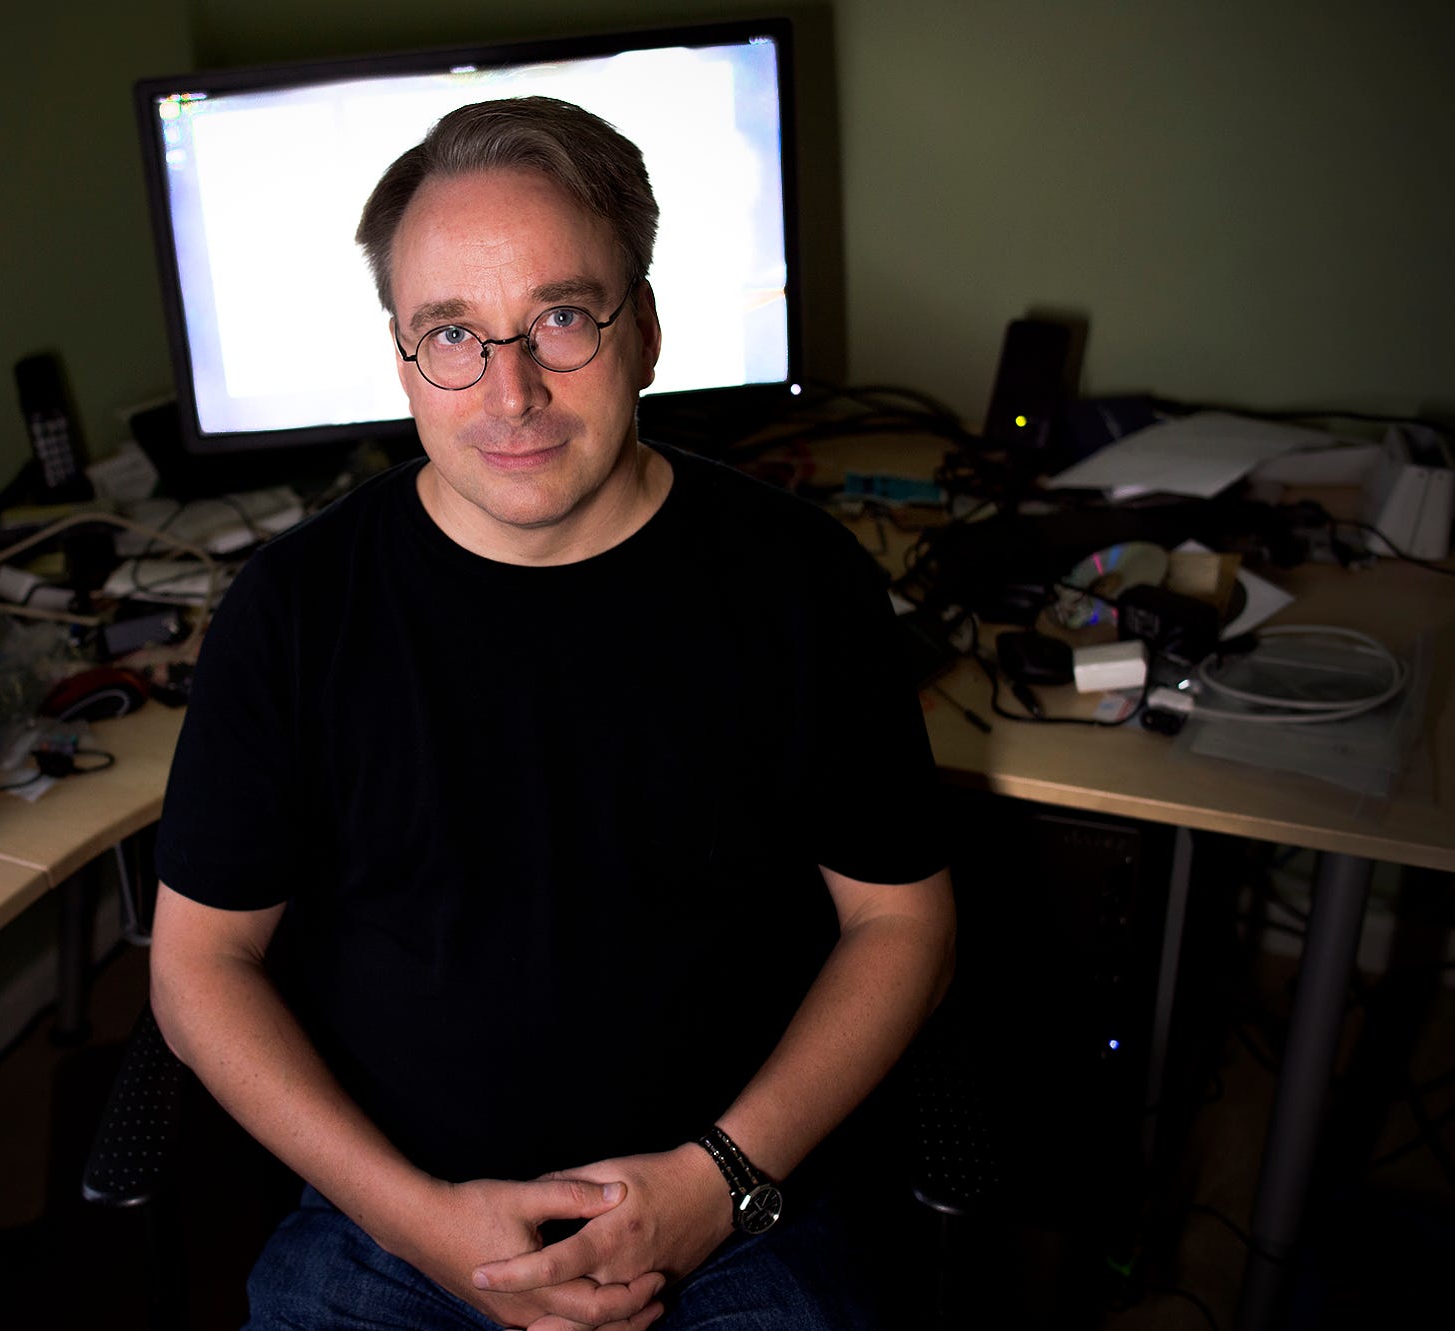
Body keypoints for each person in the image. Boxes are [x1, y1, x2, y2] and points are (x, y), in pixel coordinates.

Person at [150, 96, 956, 1331]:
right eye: (452, 333)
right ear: (401, 357)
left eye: (559, 318)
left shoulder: (800, 579)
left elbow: (899, 922)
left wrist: (717, 1181)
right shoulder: (293, 610)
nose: (508, 390)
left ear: (643, 327)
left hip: (736, 1205)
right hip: (395, 1215)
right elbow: (199, 966)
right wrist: (413, 1215)